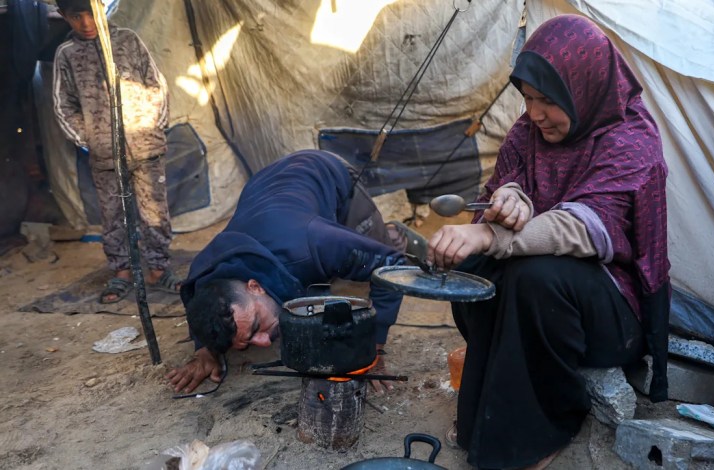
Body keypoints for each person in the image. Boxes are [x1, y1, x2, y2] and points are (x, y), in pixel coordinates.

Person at [427, 15, 671, 470]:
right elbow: (505, 186)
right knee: (479, 271)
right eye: (528, 98)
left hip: (611, 315)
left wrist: (488, 232)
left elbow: (582, 227)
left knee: (535, 275)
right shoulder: (529, 132)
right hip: (544, 298)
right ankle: (487, 415)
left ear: (585, 87)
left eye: (548, 100)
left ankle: (544, 430)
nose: (534, 113)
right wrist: (510, 197)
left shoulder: (631, 140)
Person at [166, 150, 421, 395]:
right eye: (250, 341)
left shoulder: (313, 242)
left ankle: (393, 235)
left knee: (360, 275)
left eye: (256, 326)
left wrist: (373, 347)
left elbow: (392, 268)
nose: (265, 342)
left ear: (255, 286)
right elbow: (196, 304)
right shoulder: (201, 274)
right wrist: (205, 350)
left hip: (325, 172)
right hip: (264, 188)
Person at [52, 0, 181, 304]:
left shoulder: (127, 40)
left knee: (154, 212)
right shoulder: (67, 54)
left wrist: (154, 125)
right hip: (104, 154)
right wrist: (87, 139)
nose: (85, 22)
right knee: (113, 215)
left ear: (101, 9)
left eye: (90, 13)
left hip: (145, 145)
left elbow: (155, 83)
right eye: (76, 16)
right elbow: (63, 104)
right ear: (64, 16)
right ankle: (122, 272)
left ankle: (157, 269)